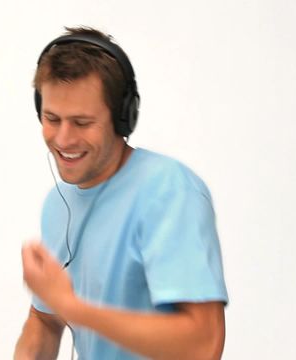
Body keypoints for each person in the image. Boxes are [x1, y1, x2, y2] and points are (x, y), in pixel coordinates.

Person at [14, 26, 229, 360]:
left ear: (122, 117)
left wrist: (74, 308)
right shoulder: (58, 205)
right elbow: (44, 321)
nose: (63, 138)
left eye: (82, 123)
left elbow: (203, 344)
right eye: (52, 118)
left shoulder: (169, 192)